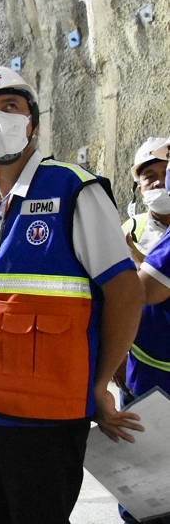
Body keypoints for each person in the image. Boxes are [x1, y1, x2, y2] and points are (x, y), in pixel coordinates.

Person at [0, 62, 145, 524]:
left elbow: (125, 293)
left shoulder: (74, 189)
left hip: (47, 421)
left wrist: (100, 382)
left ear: (31, 120)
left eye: (11, 106)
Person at [114, 140, 170, 524]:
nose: (155, 183)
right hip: (140, 373)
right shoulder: (128, 229)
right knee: (142, 485)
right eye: (146, 177)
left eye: (161, 173)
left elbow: (147, 288)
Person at [122, 137, 170, 263]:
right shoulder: (128, 231)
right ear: (140, 190)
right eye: (150, 176)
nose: (160, 182)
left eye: (167, 174)